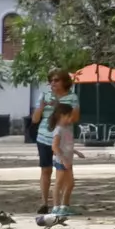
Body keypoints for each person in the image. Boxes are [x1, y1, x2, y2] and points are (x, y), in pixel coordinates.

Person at [30, 70, 76, 213]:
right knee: (46, 169)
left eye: (56, 80)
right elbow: (35, 119)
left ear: (64, 81)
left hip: (63, 139)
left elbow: (74, 118)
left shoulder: (72, 97)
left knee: (63, 172)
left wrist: (58, 106)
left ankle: (62, 205)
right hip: (44, 136)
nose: (53, 83)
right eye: (51, 81)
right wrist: (41, 107)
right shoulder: (44, 95)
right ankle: (45, 203)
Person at [50, 101, 84, 214]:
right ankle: (56, 207)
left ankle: (64, 206)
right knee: (59, 183)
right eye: (69, 116)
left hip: (68, 160)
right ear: (61, 116)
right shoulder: (58, 130)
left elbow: (66, 145)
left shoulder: (67, 129)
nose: (71, 119)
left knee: (70, 183)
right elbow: (55, 147)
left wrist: (76, 152)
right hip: (62, 161)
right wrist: (63, 159)